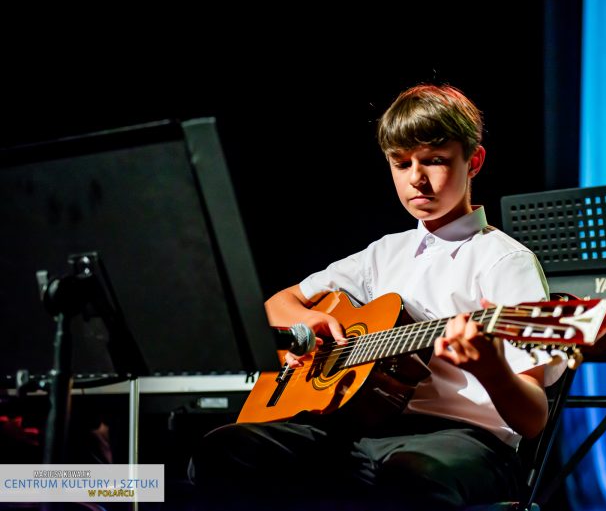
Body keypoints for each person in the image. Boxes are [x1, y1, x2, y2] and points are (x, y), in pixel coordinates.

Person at [188, 83, 563, 510]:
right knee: (224, 449)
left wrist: (491, 366)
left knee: (408, 477)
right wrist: (306, 324)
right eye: (401, 164)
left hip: (467, 443)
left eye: (435, 161)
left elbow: (533, 420)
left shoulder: (504, 261)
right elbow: (278, 304)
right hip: (364, 434)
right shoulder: (384, 253)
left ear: (473, 161)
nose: (416, 178)